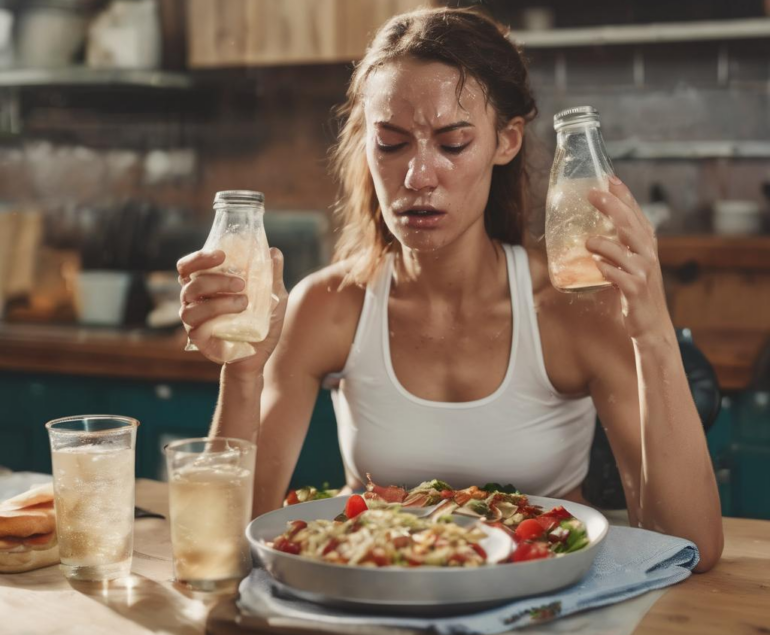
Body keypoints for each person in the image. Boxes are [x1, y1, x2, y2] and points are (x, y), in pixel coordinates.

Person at [177, 7, 723, 572]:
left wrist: (654, 331)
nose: (418, 176)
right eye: (390, 143)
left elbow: (690, 547)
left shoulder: (573, 309)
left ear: (505, 141)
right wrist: (242, 373)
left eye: (453, 143)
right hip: (377, 604)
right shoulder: (329, 306)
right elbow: (228, 540)